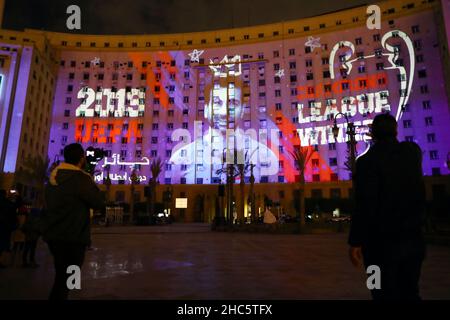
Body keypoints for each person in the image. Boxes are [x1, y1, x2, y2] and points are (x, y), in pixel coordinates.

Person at [348, 113, 426, 300]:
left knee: (378, 291)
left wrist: (355, 241)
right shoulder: (412, 152)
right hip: (413, 242)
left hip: (377, 247)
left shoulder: (366, 162)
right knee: (411, 292)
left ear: (372, 134)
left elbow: (364, 204)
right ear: (396, 130)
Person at [42, 143, 105, 300]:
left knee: (61, 276)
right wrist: (89, 175)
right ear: (81, 158)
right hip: (74, 238)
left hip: (54, 236)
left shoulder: (53, 178)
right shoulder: (80, 179)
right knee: (68, 280)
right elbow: (98, 201)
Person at [0, 190, 17, 268]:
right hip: (6, 226)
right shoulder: (9, 204)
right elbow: (13, 215)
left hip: (4, 225)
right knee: (3, 244)